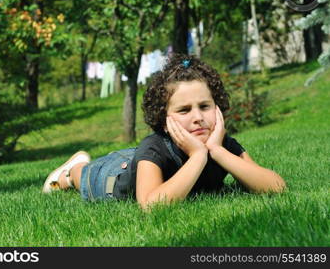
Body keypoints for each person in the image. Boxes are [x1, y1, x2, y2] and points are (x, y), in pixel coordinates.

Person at [42, 54, 286, 210]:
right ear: (163, 117)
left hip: (140, 161)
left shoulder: (223, 145)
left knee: (137, 159)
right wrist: (199, 157)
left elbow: (276, 187)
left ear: (217, 107)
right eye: (184, 110)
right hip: (113, 178)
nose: (198, 118)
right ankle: (69, 171)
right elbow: (150, 205)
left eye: (204, 106)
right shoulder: (155, 146)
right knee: (84, 176)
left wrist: (217, 152)